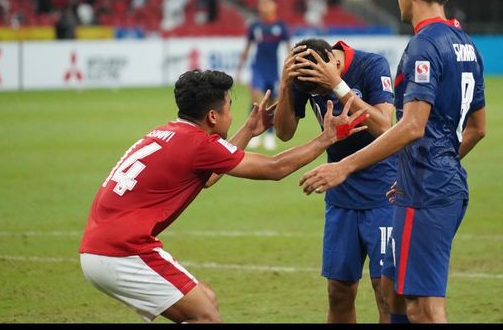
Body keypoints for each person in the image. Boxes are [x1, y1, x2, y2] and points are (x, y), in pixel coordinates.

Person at [79, 69, 368, 324]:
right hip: (122, 252)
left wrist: (250, 129)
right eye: (230, 107)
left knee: (206, 300)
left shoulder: (168, 132)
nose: (232, 113)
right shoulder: (198, 145)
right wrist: (326, 138)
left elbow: (210, 175)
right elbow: (274, 168)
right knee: (204, 316)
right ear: (213, 116)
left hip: (102, 246)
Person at [298, 0, 487, 323]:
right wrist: (431, 163)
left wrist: (345, 166)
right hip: (431, 181)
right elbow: (478, 128)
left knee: (424, 308)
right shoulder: (465, 44)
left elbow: (411, 125)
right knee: (396, 295)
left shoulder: (424, 45)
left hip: (427, 189)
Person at [273, 38, 397, 323]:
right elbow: (284, 133)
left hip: (384, 190)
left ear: (335, 62)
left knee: (385, 291)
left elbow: (384, 127)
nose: (320, 93)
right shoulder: (305, 73)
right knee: (338, 291)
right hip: (340, 193)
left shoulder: (371, 65)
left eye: (321, 87)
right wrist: (285, 85)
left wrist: (337, 85)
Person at [235, 0, 291, 150]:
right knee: (255, 99)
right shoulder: (255, 26)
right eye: (261, 3)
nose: (263, 6)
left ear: (275, 5)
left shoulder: (280, 27)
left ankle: (269, 135)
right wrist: (239, 70)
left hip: (272, 70)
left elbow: (289, 49)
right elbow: (247, 48)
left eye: (267, 3)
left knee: (273, 102)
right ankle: (251, 133)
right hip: (257, 68)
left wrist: (293, 69)